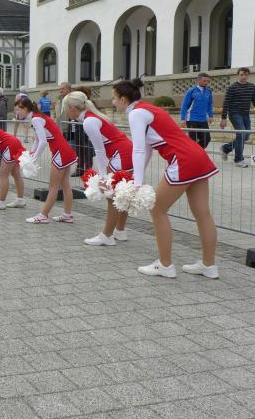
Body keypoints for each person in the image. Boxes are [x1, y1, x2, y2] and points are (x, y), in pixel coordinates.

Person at [114, 78, 219, 278]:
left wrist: (137, 184)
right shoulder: (148, 109)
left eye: (114, 98)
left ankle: (165, 265)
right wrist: (135, 178)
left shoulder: (136, 113)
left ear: (123, 99)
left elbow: (138, 149)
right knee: (203, 213)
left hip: (183, 159)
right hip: (197, 155)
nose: (113, 102)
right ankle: (209, 265)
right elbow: (146, 150)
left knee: (157, 209)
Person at [62, 91, 132, 246]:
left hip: (121, 154)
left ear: (72, 108)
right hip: (125, 151)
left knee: (112, 195)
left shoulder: (89, 121)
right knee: (122, 193)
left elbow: (99, 151)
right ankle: (120, 231)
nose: (66, 112)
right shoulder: (93, 117)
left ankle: (107, 235)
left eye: (66, 108)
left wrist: (103, 177)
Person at [16, 97, 78, 224]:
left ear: (26, 109)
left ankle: (43, 215)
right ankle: (67, 215)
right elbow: (38, 139)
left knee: (53, 186)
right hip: (64, 150)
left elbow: (43, 142)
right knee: (65, 185)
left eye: (18, 110)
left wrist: (34, 159)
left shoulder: (36, 119)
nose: (17, 113)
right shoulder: (37, 117)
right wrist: (31, 153)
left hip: (60, 152)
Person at [220, 67, 255, 167]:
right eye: (241, 74)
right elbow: (226, 103)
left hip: (245, 114)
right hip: (235, 114)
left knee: (246, 136)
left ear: (248, 75)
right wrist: (223, 118)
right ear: (238, 75)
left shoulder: (252, 87)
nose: (244, 77)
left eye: (246, 75)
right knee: (241, 134)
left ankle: (226, 148)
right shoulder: (232, 87)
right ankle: (238, 160)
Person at [180, 73, 214, 149]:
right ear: (198, 80)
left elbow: (210, 104)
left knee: (206, 139)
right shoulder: (191, 91)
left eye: (207, 81)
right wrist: (183, 118)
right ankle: (193, 153)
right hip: (192, 119)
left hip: (203, 119)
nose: (206, 83)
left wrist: (210, 115)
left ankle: (194, 152)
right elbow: (184, 105)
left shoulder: (209, 91)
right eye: (204, 81)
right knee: (193, 141)